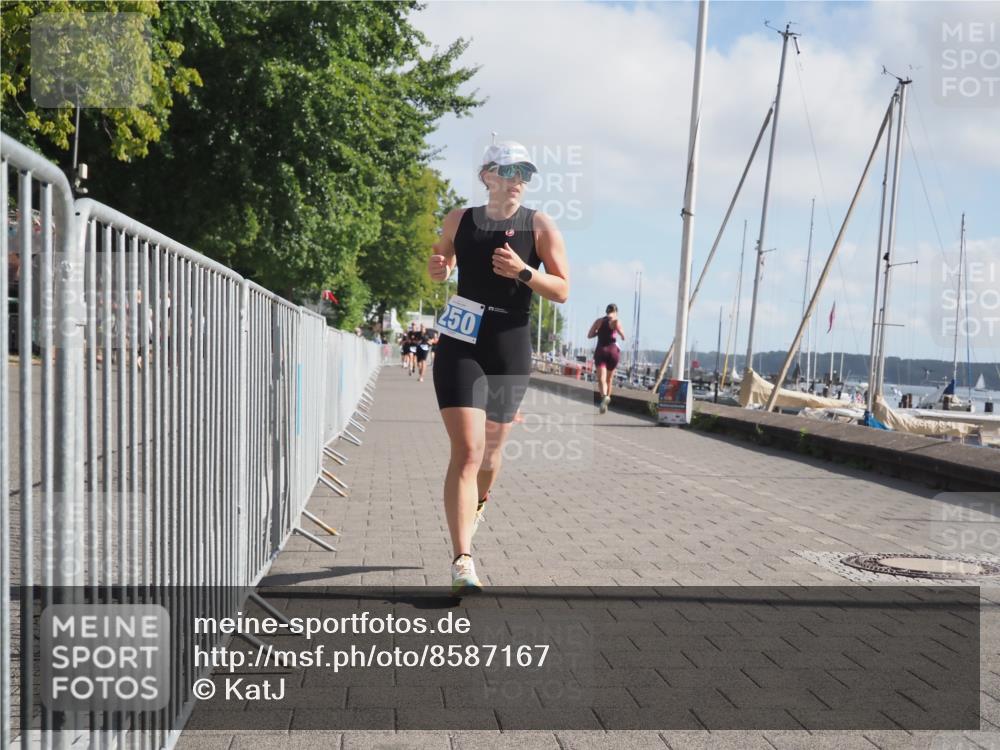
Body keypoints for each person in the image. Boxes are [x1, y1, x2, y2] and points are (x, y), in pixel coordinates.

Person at [427, 139, 569, 593]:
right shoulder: (459, 219)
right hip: (460, 338)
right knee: (466, 452)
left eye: (524, 174)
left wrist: (524, 272)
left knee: (489, 454)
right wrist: (439, 268)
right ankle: (462, 559)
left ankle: (480, 498)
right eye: (509, 172)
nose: (518, 182)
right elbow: (442, 260)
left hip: (510, 342)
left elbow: (562, 289)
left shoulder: (539, 225)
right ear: (487, 175)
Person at [587, 304, 626, 414]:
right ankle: (606, 402)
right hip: (613, 352)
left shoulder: (598, 321)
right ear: (616, 312)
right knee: (609, 380)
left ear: (606, 311)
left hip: (601, 351)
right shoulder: (616, 321)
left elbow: (589, 335)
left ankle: (604, 397)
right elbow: (621, 333)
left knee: (602, 379)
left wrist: (598, 333)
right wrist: (622, 335)